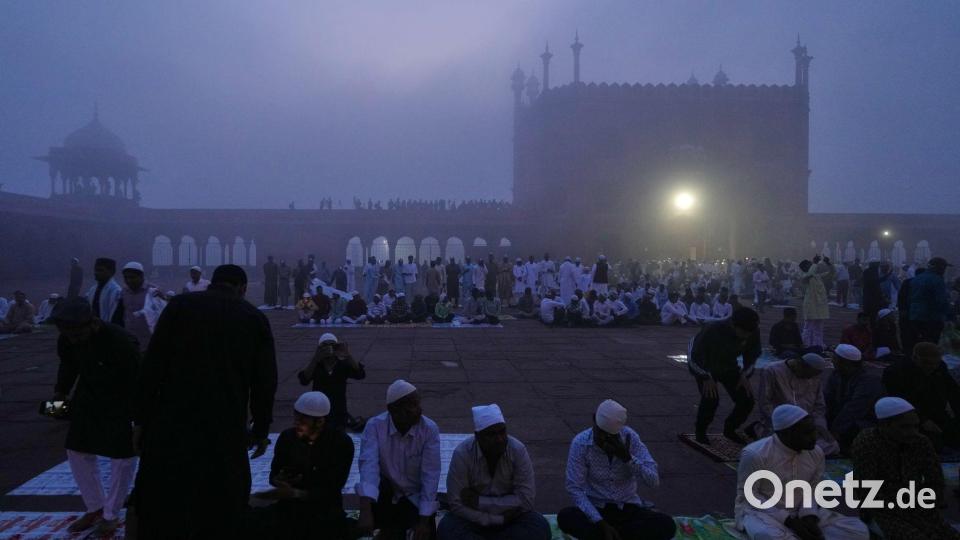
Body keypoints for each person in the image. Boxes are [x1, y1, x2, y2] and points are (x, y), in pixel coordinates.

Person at [134, 265, 278, 539]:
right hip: (224, 420)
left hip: (172, 419)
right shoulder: (252, 316)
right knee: (223, 500)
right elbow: (265, 382)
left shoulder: (179, 306)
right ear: (243, 289)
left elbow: (152, 366)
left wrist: (140, 419)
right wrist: (261, 429)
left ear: (213, 283)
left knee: (165, 498)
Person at [49, 298, 140, 537]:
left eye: (77, 334)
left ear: (93, 324)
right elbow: (68, 366)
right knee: (76, 450)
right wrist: (59, 394)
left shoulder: (121, 342)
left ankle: (111, 515)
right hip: (87, 398)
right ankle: (95, 508)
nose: (73, 339)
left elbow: (138, 384)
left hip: (121, 401)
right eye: (67, 333)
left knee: (122, 458)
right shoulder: (67, 339)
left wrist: (139, 421)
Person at [735, 405, 869, 540]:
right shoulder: (755, 454)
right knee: (766, 535)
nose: (815, 437)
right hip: (762, 513)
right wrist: (789, 521)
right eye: (807, 433)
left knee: (858, 531)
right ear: (786, 434)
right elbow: (750, 496)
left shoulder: (816, 453)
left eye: (814, 431)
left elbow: (812, 489)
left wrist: (809, 517)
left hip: (799, 511)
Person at [557, 399, 676, 540]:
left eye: (610, 436)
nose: (604, 439)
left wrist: (627, 458)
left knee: (667, 525)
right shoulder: (581, 443)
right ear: (594, 419)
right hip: (596, 509)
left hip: (627, 508)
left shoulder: (631, 438)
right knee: (566, 516)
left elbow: (653, 481)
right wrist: (600, 522)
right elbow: (574, 487)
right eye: (600, 433)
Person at [851, 397, 959, 539]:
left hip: (918, 505)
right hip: (881, 510)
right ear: (884, 425)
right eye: (905, 427)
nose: (913, 432)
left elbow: (935, 481)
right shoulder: (867, 443)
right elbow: (868, 493)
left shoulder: (921, 442)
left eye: (915, 426)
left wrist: (928, 504)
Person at [439, 404, 550, 540]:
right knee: (447, 527)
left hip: (511, 519)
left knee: (539, 526)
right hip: (475, 519)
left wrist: (478, 501)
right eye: (491, 434)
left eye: (502, 432)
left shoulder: (517, 450)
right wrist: (497, 519)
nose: (500, 439)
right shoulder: (462, 454)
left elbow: (526, 501)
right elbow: (456, 504)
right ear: (477, 436)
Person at [255, 391, 355, 539]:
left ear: (320, 422)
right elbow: (274, 473)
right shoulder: (287, 438)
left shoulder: (341, 443)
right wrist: (279, 479)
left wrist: (297, 494)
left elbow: (332, 489)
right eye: (296, 417)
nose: (297, 423)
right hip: (290, 509)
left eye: (303, 420)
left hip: (324, 511)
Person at [356, 380, 440, 540]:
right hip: (386, 493)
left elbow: (431, 475)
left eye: (417, 404)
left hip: (415, 496)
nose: (419, 410)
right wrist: (365, 511)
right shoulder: (374, 426)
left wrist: (423, 522)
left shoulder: (429, 429)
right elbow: (369, 467)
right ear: (392, 409)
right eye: (411, 406)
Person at [689, 308, 761, 444]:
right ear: (733, 325)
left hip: (729, 366)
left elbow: (752, 356)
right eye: (743, 332)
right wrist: (705, 376)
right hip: (706, 366)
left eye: (749, 333)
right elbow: (693, 356)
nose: (746, 336)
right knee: (711, 399)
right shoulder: (712, 329)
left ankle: (730, 429)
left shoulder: (752, 331)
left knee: (747, 400)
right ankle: (701, 431)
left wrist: (745, 374)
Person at [882, 342, 960, 450]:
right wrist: (923, 420)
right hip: (907, 417)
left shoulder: (940, 367)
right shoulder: (896, 372)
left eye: (935, 363)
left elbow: (953, 393)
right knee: (929, 444)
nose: (931, 367)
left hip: (936, 413)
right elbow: (899, 400)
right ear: (915, 358)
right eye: (927, 363)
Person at [759, 353, 839, 455]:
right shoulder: (771, 370)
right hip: (782, 426)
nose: (808, 379)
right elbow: (765, 404)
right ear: (800, 365)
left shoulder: (813, 377)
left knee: (832, 446)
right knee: (781, 449)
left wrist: (820, 427)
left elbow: (819, 407)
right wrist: (784, 423)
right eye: (808, 375)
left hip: (806, 427)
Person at [298, 333, 365, 430]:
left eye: (332, 345)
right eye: (325, 345)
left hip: (339, 411)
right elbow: (304, 380)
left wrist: (348, 355)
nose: (329, 348)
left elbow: (360, 374)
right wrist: (316, 358)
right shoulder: (316, 365)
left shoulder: (342, 364)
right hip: (318, 410)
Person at [825, 344, 881, 454]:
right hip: (841, 419)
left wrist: (834, 431)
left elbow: (855, 409)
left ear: (843, 363)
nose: (832, 361)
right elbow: (827, 399)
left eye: (834, 359)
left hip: (864, 422)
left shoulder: (868, 380)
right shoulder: (836, 375)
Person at [909, 256, 952, 350]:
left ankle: (918, 360)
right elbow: (941, 300)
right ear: (938, 267)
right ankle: (929, 362)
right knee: (931, 344)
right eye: (943, 267)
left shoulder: (917, 278)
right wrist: (949, 316)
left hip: (915, 316)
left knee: (920, 342)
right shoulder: (937, 280)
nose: (944, 270)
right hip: (931, 317)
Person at [120, 261, 162, 351]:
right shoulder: (123, 292)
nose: (128, 281)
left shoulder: (153, 291)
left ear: (141, 276)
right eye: (126, 278)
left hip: (149, 341)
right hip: (129, 339)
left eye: (132, 277)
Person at [798, 259, 830, 349]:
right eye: (809, 264)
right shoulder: (805, 276)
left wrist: (827, 263)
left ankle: (818, 345)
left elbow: (828, 272)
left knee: (819, 328)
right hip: (811, 305)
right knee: (808, 327)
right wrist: (815, 263)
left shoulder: (817, 276)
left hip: (820, 305)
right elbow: (810, 273)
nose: (811, 265)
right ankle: (805, 345)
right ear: (805, 267)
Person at [85, 258, 123, 325]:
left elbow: (115, 317)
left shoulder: (116, 292)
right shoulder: (92, 290)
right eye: (96, 270)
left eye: (100, 270)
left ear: (111, 272)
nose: (96, 273)